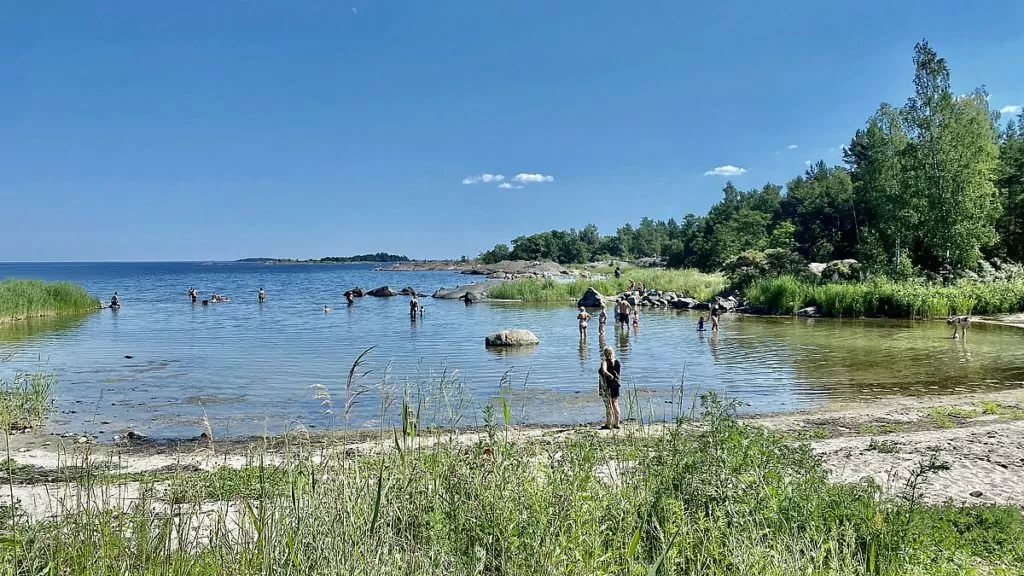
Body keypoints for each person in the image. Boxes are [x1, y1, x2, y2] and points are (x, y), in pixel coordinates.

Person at [598, 346, 622, 430]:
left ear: (605, 353)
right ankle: (617, 423)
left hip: (606, 385)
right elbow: (618, 375)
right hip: (615, 385)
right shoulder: (617, 362)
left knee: (608, 405)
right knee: (615, 404)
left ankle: (609, 424)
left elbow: (604, 370)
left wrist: (608, 375)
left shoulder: (604, 362)